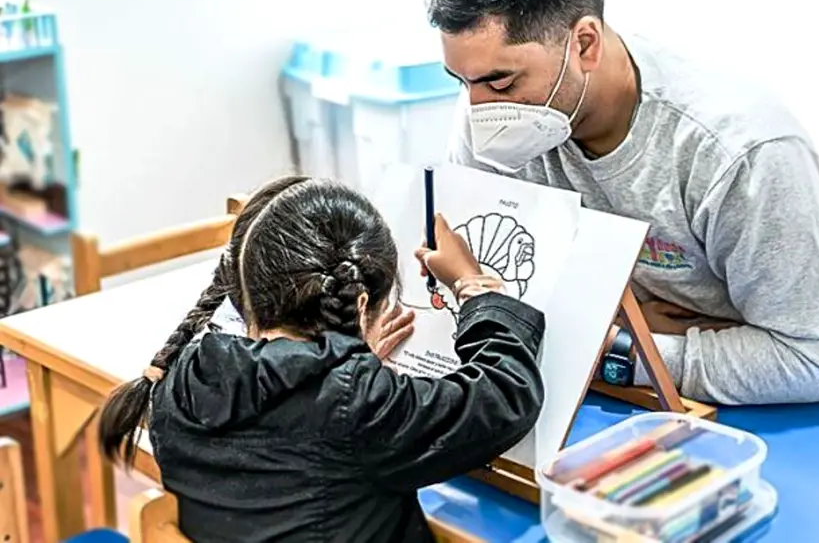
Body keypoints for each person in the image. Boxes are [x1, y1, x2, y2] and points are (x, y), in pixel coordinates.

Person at [427, 0, 819, 405]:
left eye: (501, 85)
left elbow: (815, 359)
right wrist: (626, 327)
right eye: (462, 82)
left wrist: (620, 348)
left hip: (780, 397)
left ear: (584, 44)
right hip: (630, 379)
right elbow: (490, 295)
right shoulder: (489, 118)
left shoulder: (737, 152)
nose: (478, 110)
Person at [98, 176, 545, 543]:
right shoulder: (357, 405)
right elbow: (506, 394)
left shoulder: (183, 375)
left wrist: (346, 362)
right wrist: (475, 287)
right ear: (362, 303)